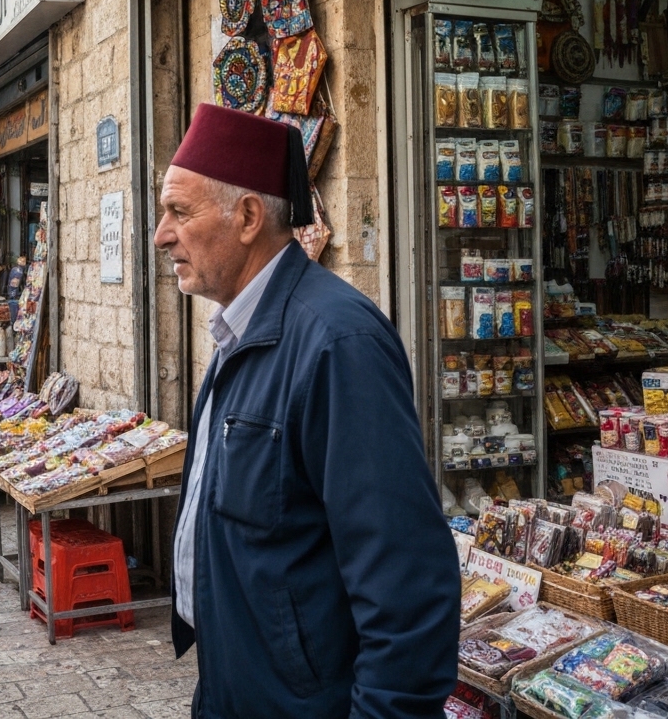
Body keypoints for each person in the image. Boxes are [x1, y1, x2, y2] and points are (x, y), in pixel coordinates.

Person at [155, 104, 459, 718]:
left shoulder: (336, 343)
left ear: (246, 217)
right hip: (235, 686)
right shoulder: (240, 331)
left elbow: (407, 588)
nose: (162, 234)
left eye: (179, 212)